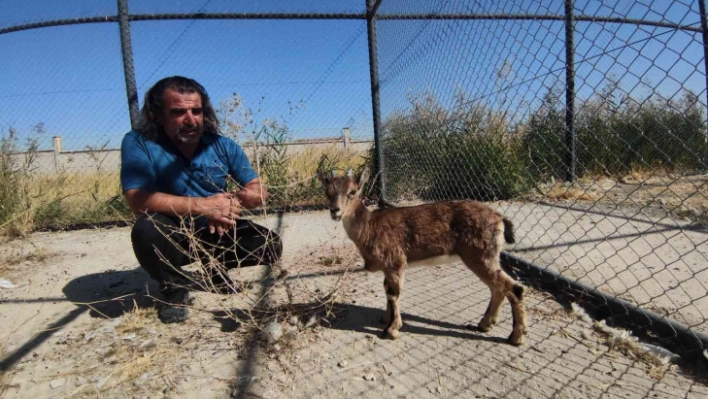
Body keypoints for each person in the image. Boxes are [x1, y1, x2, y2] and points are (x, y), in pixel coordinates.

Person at [120, 76, 282, 324]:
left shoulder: (221, 145)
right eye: (178, 112)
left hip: (215, 230)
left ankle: (214, 267)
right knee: (146, 229)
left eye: (196, 111)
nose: (190, 119)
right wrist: (204, 206)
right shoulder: (139, 143)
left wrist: (231, 204)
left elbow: (258, 190)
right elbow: (137, 199)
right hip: (173, 232)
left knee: (270, 245)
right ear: (157, 115)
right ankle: (172, 287)